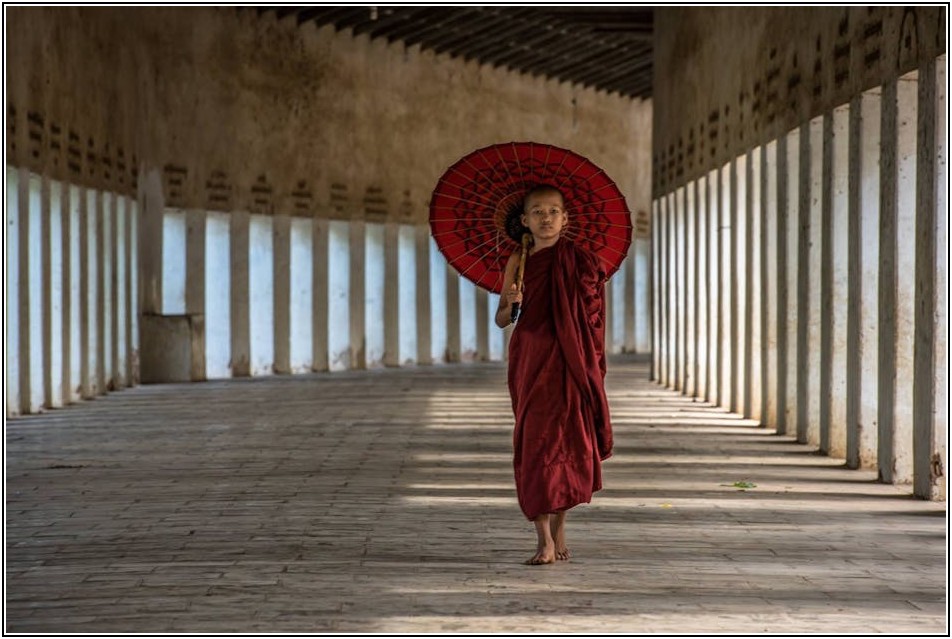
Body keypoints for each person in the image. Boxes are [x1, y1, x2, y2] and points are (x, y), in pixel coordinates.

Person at [495, 183, 613, 566]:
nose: (546, 218)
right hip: (531, 359)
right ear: (525, 220)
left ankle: (560, 525)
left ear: (566, 219)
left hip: (571, 360)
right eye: (538, 212)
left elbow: (592, 318)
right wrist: (512, 304)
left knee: (571, 443)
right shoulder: (519, 261)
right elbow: (502, 320)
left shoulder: (581, 261)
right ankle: (542, 538)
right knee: (536, 444)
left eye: (553, 211)